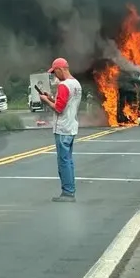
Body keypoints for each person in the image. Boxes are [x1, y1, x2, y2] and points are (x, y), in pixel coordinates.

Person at [39, 57, 82, 202]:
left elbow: (58, 108)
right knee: (68, 160)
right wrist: (51, 97)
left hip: (62, 128)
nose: (55, 75)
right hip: (71, 126)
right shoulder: (76, 84)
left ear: (60, 69)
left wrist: (45, 101)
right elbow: (65, 103)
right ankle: (70, 190)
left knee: (63, 161)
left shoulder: (63, 85)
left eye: (55, 72)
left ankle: (68, 192)